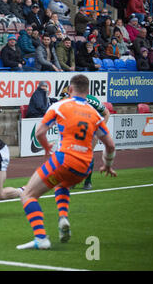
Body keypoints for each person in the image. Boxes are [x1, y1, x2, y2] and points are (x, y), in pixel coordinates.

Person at [16, 74, 117, 250]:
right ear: (88, 91)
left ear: (70, 89)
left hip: (64, 159)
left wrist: (47, 147)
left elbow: (40, 132)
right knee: (62, 183)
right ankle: (63, 217)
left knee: (28, 194)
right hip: (84, 167)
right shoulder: (94, 114)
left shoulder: (59, 106)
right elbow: (110, 145)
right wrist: (107, 165)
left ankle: (41, 238)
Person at [59, 86, 111, 190]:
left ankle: (88, 182)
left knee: (87, 155)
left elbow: (106, 113)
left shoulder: (90, 100)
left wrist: (98, 130)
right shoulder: (68, 104)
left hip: (92, 130)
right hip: (78, 130)